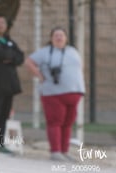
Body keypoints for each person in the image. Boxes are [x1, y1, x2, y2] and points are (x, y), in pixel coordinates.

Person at [25, 27, 86, 161]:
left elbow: (80, 67)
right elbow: (29, 62)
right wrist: (40, 76)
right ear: (51, 38)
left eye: (61, 35)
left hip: (74, 93)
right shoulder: (45, 52)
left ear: (66, 38)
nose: (59, 37)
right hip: (53, 93)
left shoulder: (73, 51)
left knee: (68, 123)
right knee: (55, 121)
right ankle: (55, 151)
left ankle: (64, 151)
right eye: (56, 35)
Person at [0, 14, 24, 153]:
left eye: (3, 22)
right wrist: (9, 56)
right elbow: (1, 54)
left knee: (4, 115)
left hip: (9, 86)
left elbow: (20, 57)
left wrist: (9, 57)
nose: (0, 25)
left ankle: (0, 143)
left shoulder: (9, 41)